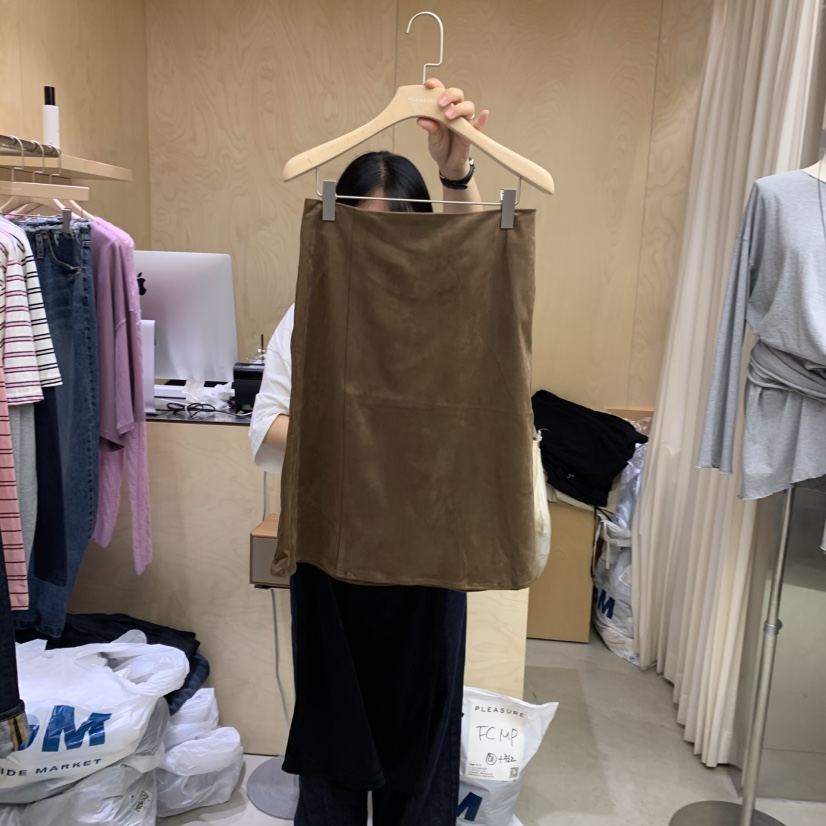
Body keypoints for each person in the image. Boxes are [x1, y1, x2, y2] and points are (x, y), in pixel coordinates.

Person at [250, 78, 489, 826]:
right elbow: (265, 432)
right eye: (365, 230)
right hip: (332, 558)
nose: (382, 248)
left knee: (423, 749)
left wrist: (457, 174)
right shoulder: (310, 316)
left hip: (428, 561)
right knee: (333, 750)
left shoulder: (445, 312)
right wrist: (362, 443)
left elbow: (486, 272)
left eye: (400, 231)